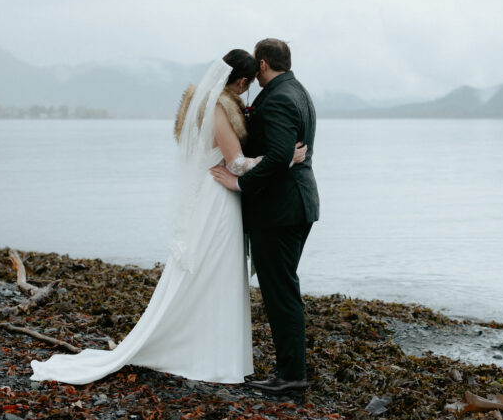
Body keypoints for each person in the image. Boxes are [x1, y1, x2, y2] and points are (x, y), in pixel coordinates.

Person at [29, 49, 306, 385]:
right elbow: (234, 164)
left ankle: (216, 352)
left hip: (218, 195)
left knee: (216, 273)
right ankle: (206, 353)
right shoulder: (219, 107)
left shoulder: (209, 103)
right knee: (213, 273)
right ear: (242, 81)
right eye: (247, 86)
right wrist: (284, 158)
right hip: (219, 197)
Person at [211, 38, 319, 394]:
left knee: (281, 292)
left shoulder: (277, 99)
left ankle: (291, 376)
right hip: (295, 206)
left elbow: (276, 158)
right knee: (283, 288)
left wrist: (239, 185)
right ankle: (290, 370)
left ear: (261, 65)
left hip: (280, 211)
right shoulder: (298, 91)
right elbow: (283, 154)